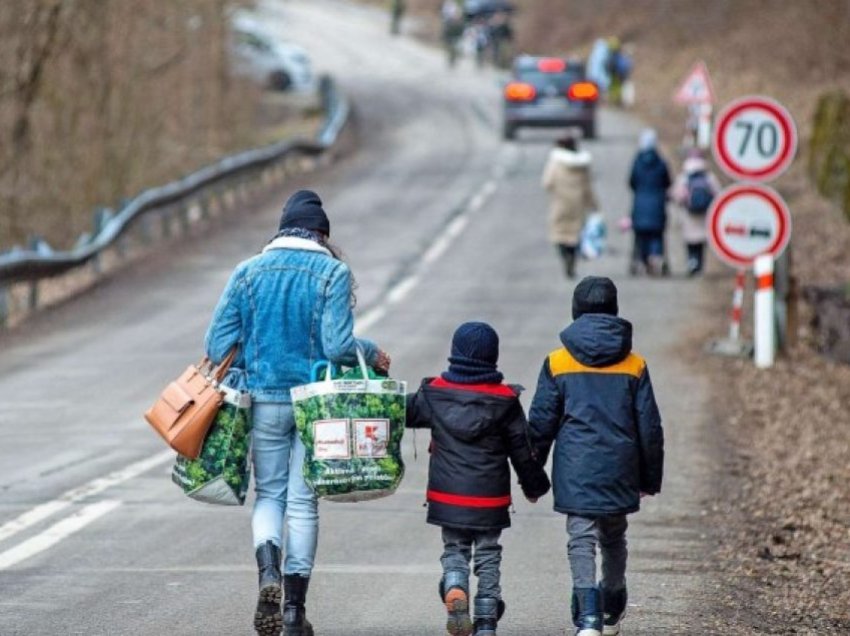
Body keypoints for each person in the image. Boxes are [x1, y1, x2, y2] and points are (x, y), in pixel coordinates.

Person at [205, 190, 391, 636]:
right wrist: (371, 352)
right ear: (322, 234)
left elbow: (216, 347)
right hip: (318, 407)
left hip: (264, 400)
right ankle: (293, 613)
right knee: (304, 502)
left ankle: (267, 570)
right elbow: (339, 348)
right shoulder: (332, 272)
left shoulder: (246, 273)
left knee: (269, 496)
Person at [528, 277, 664, 636]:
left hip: (577, 467)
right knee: (614, 535)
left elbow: (541, 423)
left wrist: (532, 474)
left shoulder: (557, 362)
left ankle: (588, 614)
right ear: (615, 311)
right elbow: (649, 427)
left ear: (575, 311)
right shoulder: (634, 364)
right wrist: (649, 478)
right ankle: (614, 599)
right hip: (621, 467)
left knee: (581, 537)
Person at [406, 322, 551, 636]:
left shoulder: (435, 393)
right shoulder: (505, 400)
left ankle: (456, 585)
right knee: (487, 554)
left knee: (455, 549)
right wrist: (534, 485)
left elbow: (404, 412)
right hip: (490, 498)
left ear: (454, 354)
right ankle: (486, 622)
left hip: (448, 496)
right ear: (493, 357)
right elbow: (522, 451)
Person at [542, 135, 598, 279]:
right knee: (575, 235)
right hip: (578, 205)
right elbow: (588, 187)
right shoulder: (583, 165)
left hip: (560, 204)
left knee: (560, 234)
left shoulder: (555, 163)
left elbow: (547, 183)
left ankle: (565, 257)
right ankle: (572, 260)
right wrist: (594, 206)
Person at [670, 149, 721, 276]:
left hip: (689, 215)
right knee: (701, 242)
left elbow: (677, 195)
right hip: (704, 214)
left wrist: (681, 202)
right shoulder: (709, 177)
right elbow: (718, 194)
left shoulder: (685, 177)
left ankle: (692, 261)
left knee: (690, 241)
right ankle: (699, 264)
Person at [628, 129, 671, 276]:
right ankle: (656, 258)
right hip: (657, 204)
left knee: (641, 236)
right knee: (656, 235)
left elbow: (631, 182)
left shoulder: (637, 162)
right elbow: (668, 182)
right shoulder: (661, 162)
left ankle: (642, 260)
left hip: (640, 204)